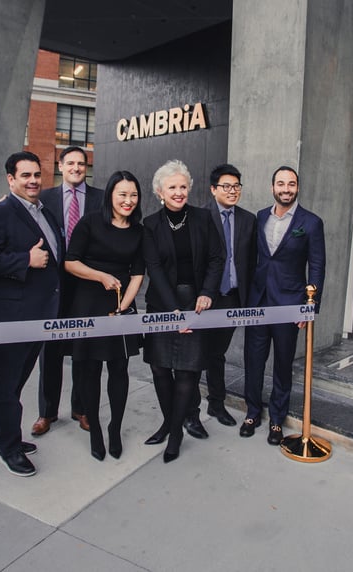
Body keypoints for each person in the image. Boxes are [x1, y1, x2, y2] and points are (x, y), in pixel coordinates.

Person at [0, 151, 62, 477]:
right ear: (11, 179)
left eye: (36, 174)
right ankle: (9, 448)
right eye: (25, 175)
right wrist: (25, 260)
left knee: (13, 383)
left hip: (36, 315)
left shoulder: (44, 211)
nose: (33, 181)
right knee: (7, 385)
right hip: (8, 318)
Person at [142, 159, 224, 463]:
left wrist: (207, 293)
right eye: (172, 187)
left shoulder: (203, 217)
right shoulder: (150, 224)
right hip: (162, 303)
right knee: (160, 369)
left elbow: (217, 258)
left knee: (188, 370)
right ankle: (169, 423)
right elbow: (153, 268)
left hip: (197, 304)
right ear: (160, 192)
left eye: (183, 186)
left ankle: (175, 434)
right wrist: (173, 311)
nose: (179, 192)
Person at [241, 165, 325, 445]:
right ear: (272, 187)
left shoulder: (311, 222)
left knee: (282, 364)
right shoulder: (260, 216)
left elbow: (317, 266)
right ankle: (252, 413)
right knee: (253, 361)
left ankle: (277, 420)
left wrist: (310, 306)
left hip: (290, 304)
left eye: (291, 184)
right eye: (281, 184)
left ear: (297, 188)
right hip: (258, 302)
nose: (286, 189)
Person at [64, 171, 145, 461]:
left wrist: (125, 305)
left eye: (133, 195)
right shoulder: (90, 223)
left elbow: (138, 273)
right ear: (110, 194)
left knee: (119, 369)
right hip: (88, 303)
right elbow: (70, 262)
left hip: (121, 305)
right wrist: (100, 276)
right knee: (89, 370)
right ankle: (95, 430)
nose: (128, 200)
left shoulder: (139, 231)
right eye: (122, 194)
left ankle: (114, 429)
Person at [32, 146, 104, 436]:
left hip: (88, 284)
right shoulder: (43, 198)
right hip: (53, 286)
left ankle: (81, 408)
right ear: (60, 166)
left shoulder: (101, 198)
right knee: (50, 351)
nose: (76, 168)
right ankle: (47, 412)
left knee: (84, 350)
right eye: (70, 163)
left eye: (81, 163)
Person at [193, 164, 256, 428]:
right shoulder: (199, 216)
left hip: (231, 297)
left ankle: (216, 404)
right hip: (204, 299)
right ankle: (190, 411)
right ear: (213, 189)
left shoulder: (248, 220)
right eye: (226, 186)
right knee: (196, 355)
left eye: (236, 186)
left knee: (217, 353)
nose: (232, 191)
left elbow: (251, 262)